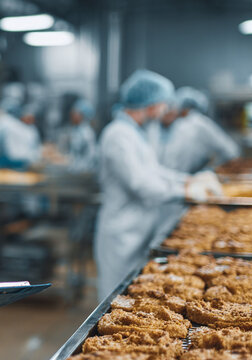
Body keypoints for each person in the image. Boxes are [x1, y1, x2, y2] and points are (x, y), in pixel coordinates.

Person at [94, 70, 218, 301]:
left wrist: (188, 180)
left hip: (138, 229)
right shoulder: (117, 135)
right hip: (121, 233)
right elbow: (140, 184)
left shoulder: (134, 132)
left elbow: (154, 171)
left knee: (132, 297)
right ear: (150, 104)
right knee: (113, 300)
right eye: (163, 103)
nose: (165, 109)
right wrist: (184, 192)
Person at [158, 87, 240, 173]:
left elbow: (231, 151)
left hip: (185, 178)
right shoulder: (176, 125)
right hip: (180, 179)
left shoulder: (197, 123)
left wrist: (211, 170)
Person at [0, 103, 42, 169]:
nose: (29, 119)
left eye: (31, 118)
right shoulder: (12, 125)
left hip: (24, 161)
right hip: (10, 159)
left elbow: (35, 147)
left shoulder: (32, 130)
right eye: (27, 117)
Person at [58, 98, 97, 172]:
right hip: (75, 170)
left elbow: (91, 157)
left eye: (75, 113)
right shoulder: (77, 130)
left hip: (83, 172)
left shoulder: (87, 133)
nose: (72, 115)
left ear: (83, 115)